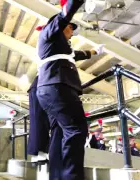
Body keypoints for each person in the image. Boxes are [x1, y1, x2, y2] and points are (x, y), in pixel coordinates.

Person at [35, 0, 97, 178]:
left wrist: (95, 52)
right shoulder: (50, 33)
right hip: (58, 88)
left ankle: (57, 175)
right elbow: (64, 16)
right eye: (70, 28)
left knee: (61, 132)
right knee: (76, 130)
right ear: (60, 27)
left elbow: (77, 54)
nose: (72, 31)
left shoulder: (59, 47)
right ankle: (72, 176)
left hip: (52, 89)